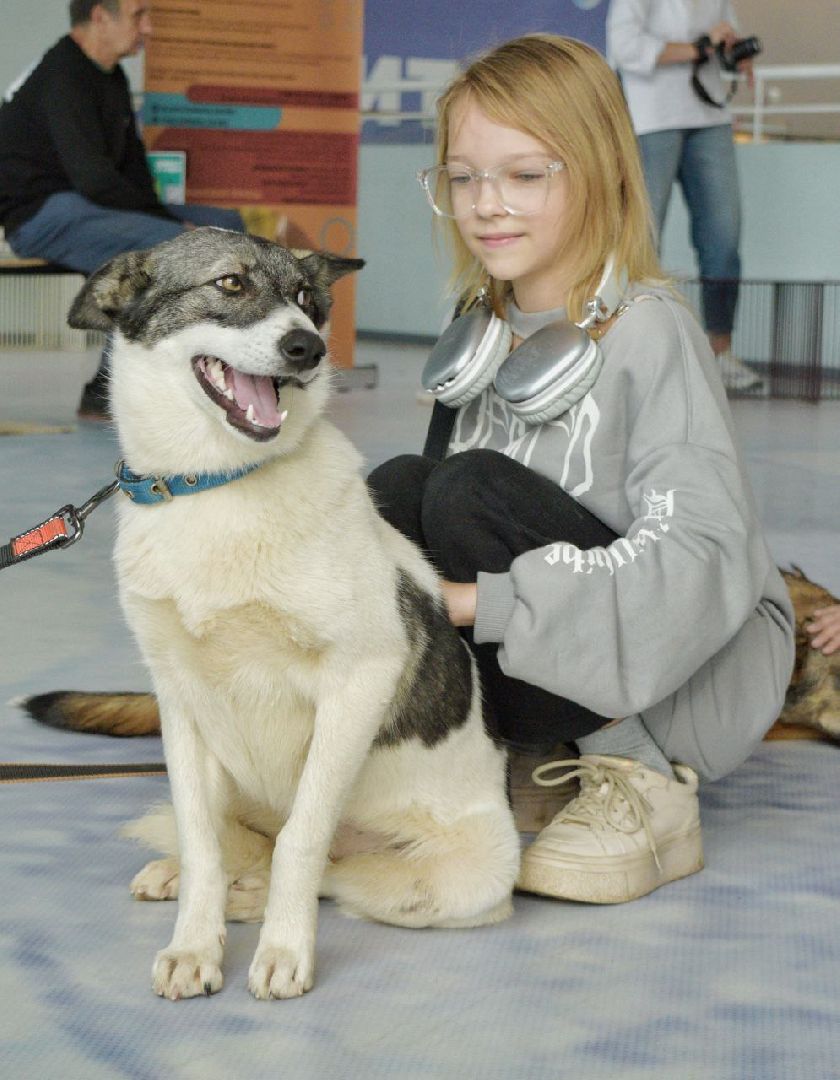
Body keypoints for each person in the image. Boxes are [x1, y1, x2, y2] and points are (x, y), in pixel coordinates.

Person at [368, 34, 795, 904]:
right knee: (397, 493)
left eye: (526, 175)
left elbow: (701, 557)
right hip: (545, 647)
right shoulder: (477, 328)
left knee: (465, 491)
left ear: (595, 171)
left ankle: (640, 786)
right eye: (463, 176)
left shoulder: (649, 328)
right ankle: (525, 756)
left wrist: (477, 604)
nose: (487, 205)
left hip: (689, 674)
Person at [0, 0, 244, 419]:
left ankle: (222, 369)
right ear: (99, 17)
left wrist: (178, 221)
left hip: (86, 206)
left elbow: (132, 175)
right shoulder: (63, 74)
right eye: (138, 16)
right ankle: (106, 390)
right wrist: (172, 227)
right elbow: (94, 179)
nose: (148, 28)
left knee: (225, 226)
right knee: (165, 246)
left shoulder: (109, 78)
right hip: (39, 216)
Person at [606, 0, 765, 393]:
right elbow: (624, 46)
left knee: (724, 238)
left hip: (710, 116)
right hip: (651, 117)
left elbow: (722, 34)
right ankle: (630, 347)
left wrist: (732, 52)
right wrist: (699, 48)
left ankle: (719, 354)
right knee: (643, 236)